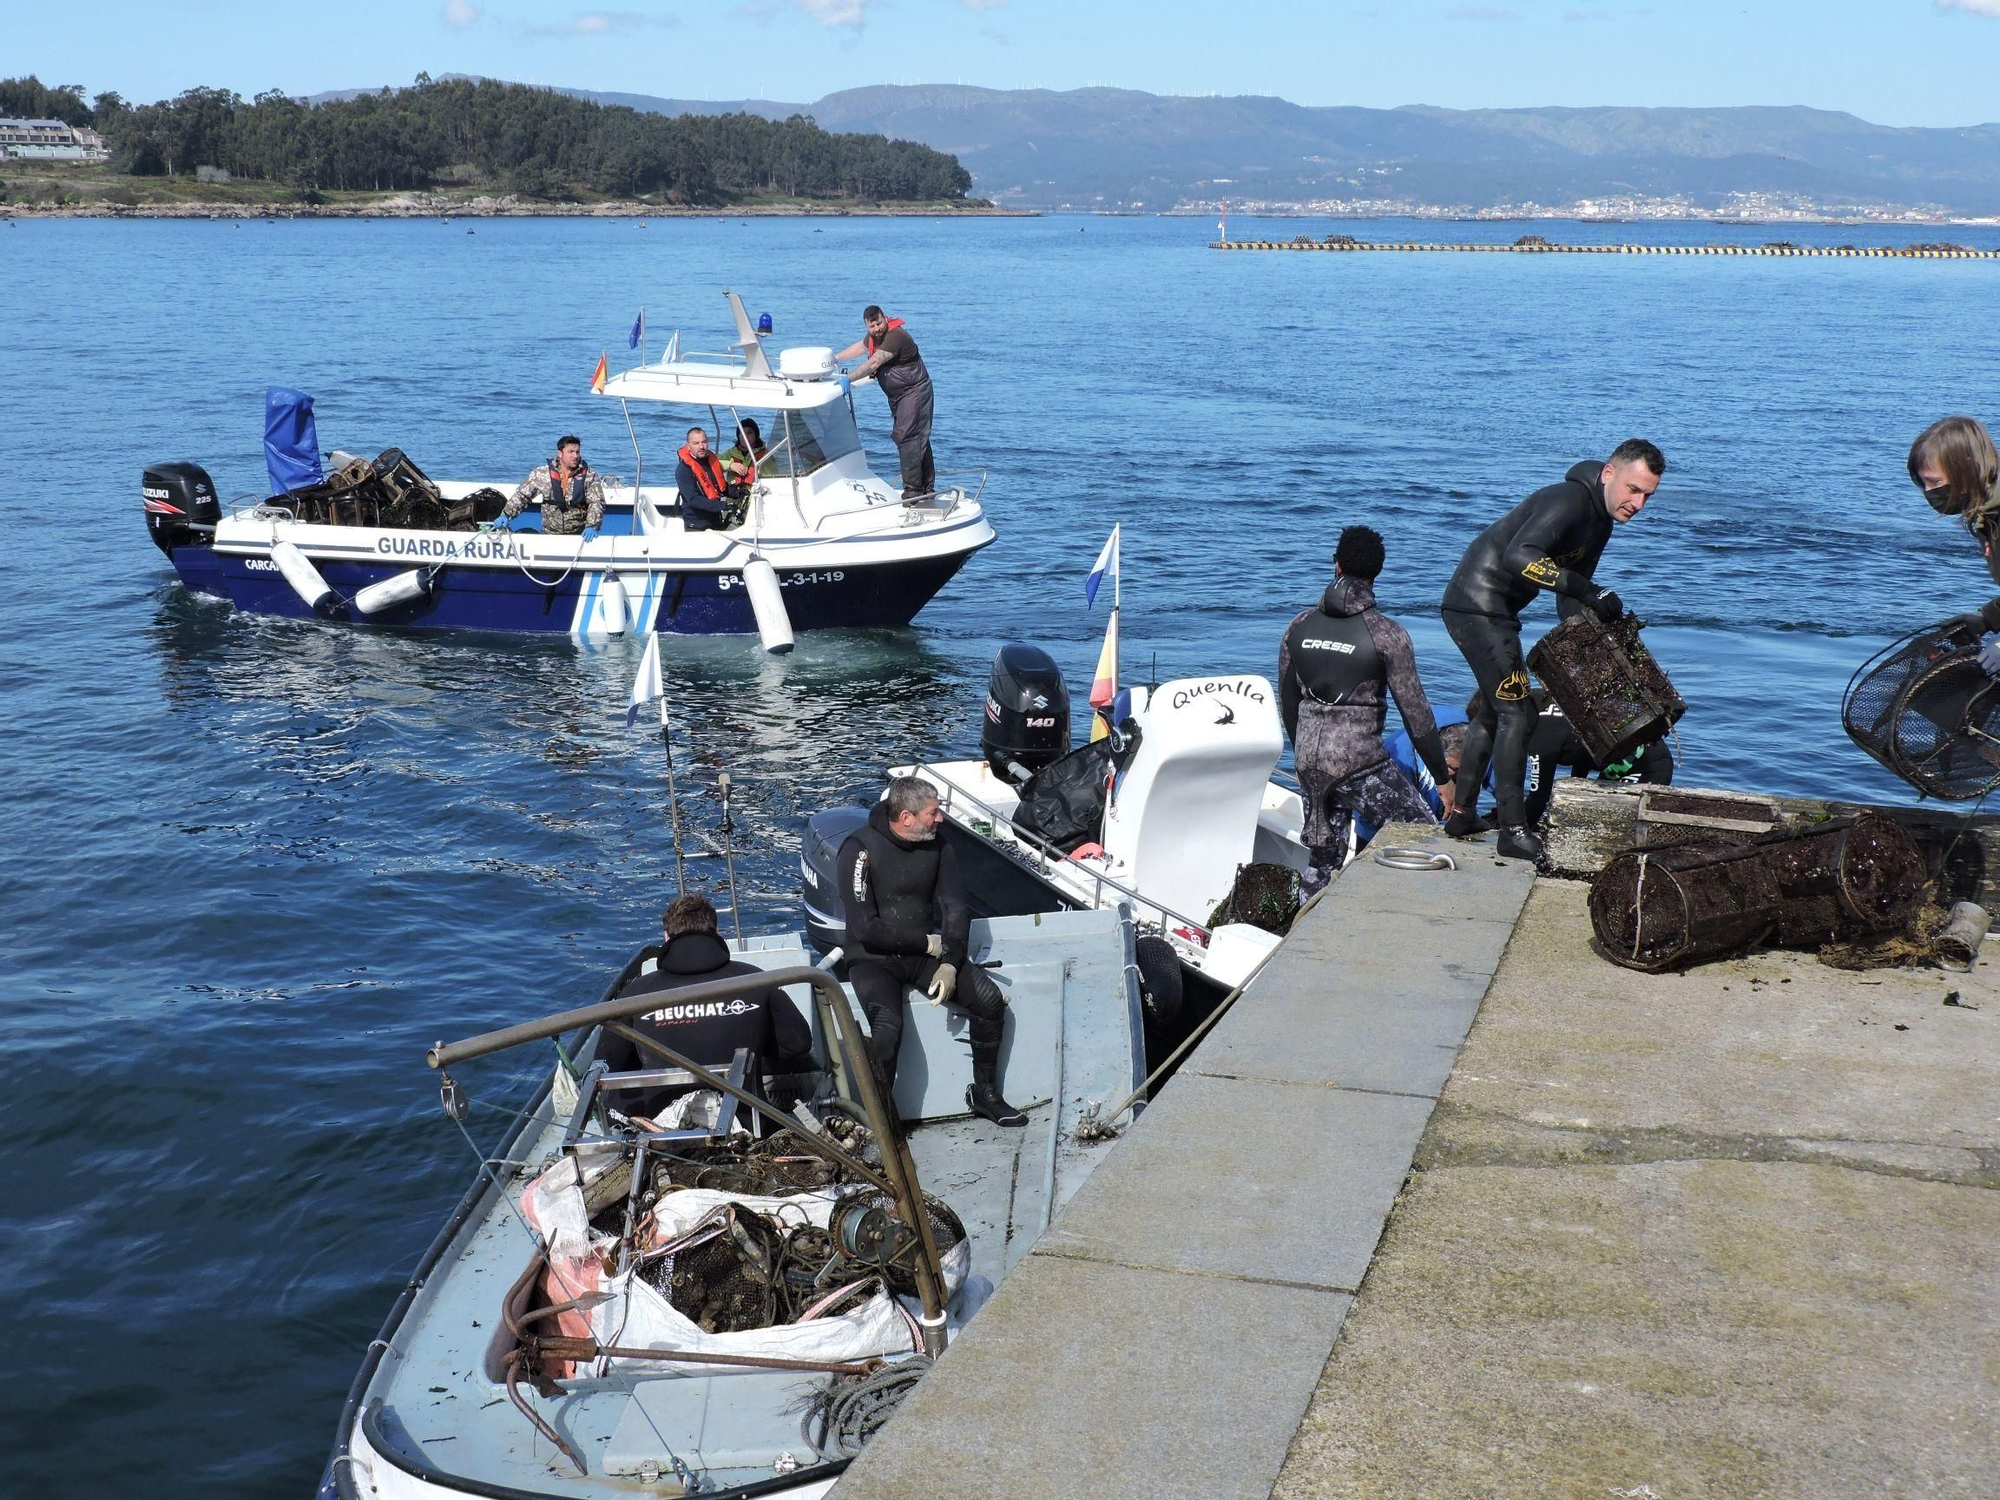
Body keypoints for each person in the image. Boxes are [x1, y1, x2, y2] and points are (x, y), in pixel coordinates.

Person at [1441, 439, 1665, 863]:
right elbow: (1518, 556)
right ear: (1608, 473)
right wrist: (1590, 590)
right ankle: (1512, 831)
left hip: (1499, 612)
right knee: (1518, 713)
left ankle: (1462, 815)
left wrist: (1594, 633)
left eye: (1647, 496)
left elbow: (1569, 594)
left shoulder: (1600, 524)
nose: (1638, 503)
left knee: (1494, 711)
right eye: (1633, 490)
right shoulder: (1568, 501)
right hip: (1475, 603)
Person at [836, 776, 1026, 1128]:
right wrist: (927, 944)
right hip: (872, 959)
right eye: (933, 813)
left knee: (989, 1001)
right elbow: (865, 928)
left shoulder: (938, 846)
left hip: (925, 953)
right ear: (906, 817)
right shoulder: (859, 850)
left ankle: (985, 1094)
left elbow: (955, 909)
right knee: (887, 1030)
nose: (940, 819)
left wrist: (951, 964)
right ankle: (878, 1119)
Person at [1279, 525, 1455, 891]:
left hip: (1308, 760)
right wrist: (1442, 778)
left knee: (1321, 862)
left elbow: (1288, 701)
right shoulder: (1386, 634)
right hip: (1358, 762)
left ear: (1336, 565)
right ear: (1378, 571)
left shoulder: (1297, 626)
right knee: (1421, 835)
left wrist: (1306, 758)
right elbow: (1416, 714)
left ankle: (1304, 932)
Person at [597, 893, 817, 1126]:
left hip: (662, 1132)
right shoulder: (753, 980)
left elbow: (607, 1065)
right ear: (716, 932)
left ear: (666, 937)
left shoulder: (637, 993)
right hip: (747, 1124)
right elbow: (798, 1044)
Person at [1909, 416, 2000, 677]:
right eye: (1923, 483)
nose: (1929, 492)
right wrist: (1988, 619)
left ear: (1967, 468)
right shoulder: (1988, 514)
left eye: (1935, 482)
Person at [836, 305, 935, 500]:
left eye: (879, 323)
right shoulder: (874, 337)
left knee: (907, 436)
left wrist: (850, 378)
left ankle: (914, 492)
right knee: (916, 436)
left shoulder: (895, 335)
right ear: (867, 326)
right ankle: (927, 489)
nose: (877, 329)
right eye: (872, 326)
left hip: (915, 391)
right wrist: (835, 358)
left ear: (885, 319)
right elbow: (860, 347)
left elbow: (874, 362)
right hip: (899, 396)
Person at [503, 434, 605, 536]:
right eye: (571, 452)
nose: (575, 456)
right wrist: (506, 515)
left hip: (578, 535)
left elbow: (596, 502)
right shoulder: (542, 473)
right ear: (560, 453)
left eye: (577, 452)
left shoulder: (589, 475)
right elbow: (522, 496)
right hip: (549, 534)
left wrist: (592, 525)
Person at [675, 426, 730, 532]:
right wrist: (722, 506)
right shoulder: (683, 470)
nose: (701, 446)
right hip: (696, 525)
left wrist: (738, 492)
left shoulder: (711, 462)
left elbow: (722, 486)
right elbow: (693, 500)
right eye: (696, 443)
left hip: (715, 520)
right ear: (688, 446)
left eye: (704, 442)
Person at [720, 417, 767, 501]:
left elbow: (774, 476)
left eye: (749, 433)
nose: (745, 436)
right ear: (738, 435)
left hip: (755, 499)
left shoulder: (765, 455)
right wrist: (730, 465)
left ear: (756, 435)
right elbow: (713, 464)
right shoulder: (731, 453)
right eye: (742, 432)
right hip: (734, 499)